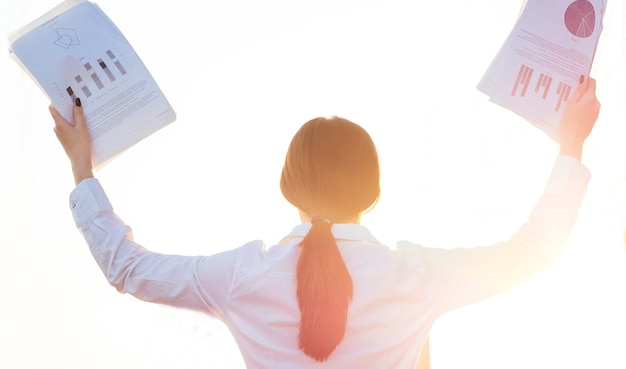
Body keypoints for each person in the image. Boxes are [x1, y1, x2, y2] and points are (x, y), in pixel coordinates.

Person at [49, 75, 600, 368]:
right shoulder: (416, 276)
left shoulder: (243, 277)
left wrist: (82, 167)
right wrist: (571, 142)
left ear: (288, 188)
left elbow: (126, 267)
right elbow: (534, 250)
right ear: (374, 192)